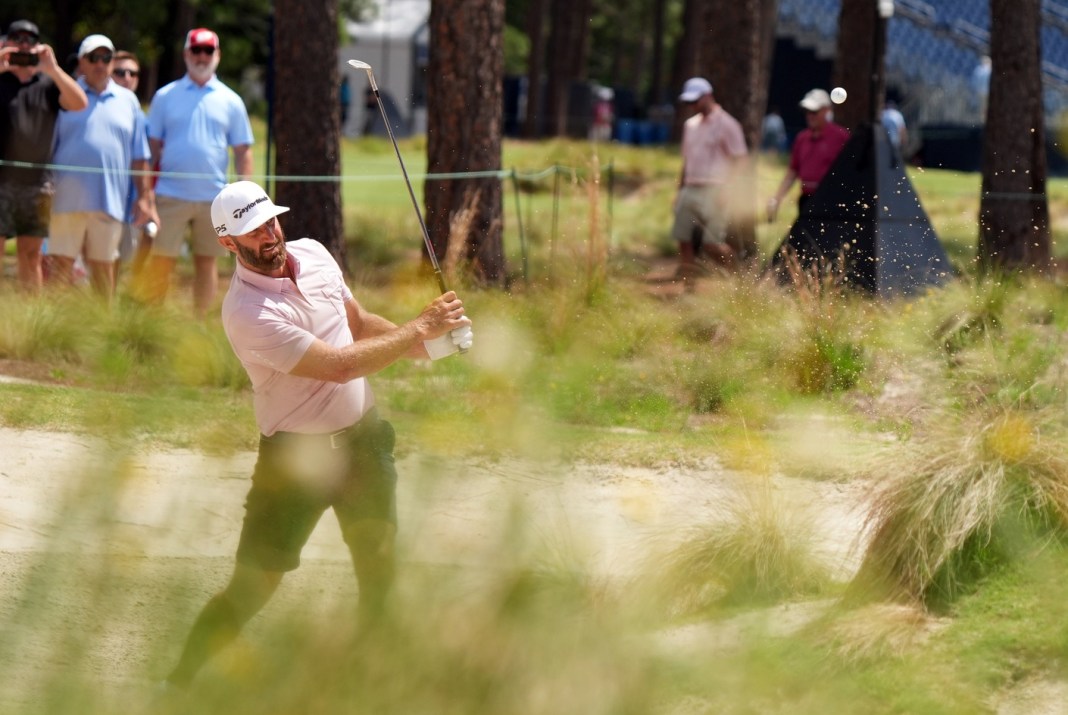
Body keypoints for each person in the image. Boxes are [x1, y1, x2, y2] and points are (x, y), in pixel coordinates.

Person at [160, 180, 473, 690]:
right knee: (253, 586)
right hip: (292, 464)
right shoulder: (248, 313)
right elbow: (337, 367)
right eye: (253, 230)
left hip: (364, 446)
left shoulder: (316, 254)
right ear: (227, 243)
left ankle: (374, 687)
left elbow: (360, 326)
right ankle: (177, 683)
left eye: (270, 221)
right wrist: (420, 329)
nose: (269, 234)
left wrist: (437, 346)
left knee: (381, 569)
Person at [140, 28, 254, 317]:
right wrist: (145, 193)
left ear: (217, 55)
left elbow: (243, 151)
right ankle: (152, 324)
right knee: (162, 260)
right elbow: (151, 149)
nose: (202, 57)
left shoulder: (231, 100)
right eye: (196, 50)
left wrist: (246, 195)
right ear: (186, 54)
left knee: (207, 262)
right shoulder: (166, 96)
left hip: (214, 199)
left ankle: (200, 323)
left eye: (208, 51)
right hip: (168, 194)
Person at [48, 35, 156, 299]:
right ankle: (53, 331)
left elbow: (140, 155)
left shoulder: (128, 101)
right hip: (65, 199)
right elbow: (48, 147)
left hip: (110, 201)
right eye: (93, 58)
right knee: (60, 267)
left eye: (106, 58)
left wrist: (144, 197)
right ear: (81, 62)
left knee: (104, 268)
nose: (100, 64)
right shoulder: (64, 93)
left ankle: (102, 332)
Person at [0, 19, 88, 291]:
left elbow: (79, 103)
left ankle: (30, 321)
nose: (23, 45)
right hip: (1, 181)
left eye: (30, 40)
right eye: (17, 39)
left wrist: (53, 68)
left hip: (38, 182)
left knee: (31, 254)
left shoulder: (47, 84)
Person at [672, 76, 748, 277]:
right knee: (683, 238)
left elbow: (740, 160)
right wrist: (679, 191)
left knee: (711, 243)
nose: (692, 105)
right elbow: (686, 161)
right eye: (689, 102)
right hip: (690, 187)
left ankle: (739, 278)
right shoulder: (690, 125)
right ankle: (688, 287)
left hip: (716, 188)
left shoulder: (728, 124)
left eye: (695, 100)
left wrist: (729, 189)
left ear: (708, 96)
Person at [767, 88, 850, 222]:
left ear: (826, 110)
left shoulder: (841, 137)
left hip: (831, 202)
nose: (810, 116)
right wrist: (777, 198)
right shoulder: (802, 138)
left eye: (814, 111)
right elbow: (793, 170)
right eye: (807, 111)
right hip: (806, 199)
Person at [110, 50, 154, 276]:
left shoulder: (141, 116)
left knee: (127, 256)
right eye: (120, 72)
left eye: (132, 73)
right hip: (103, 200)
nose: (127, 77)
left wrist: (147, 198)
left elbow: (147, 161)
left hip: (130, 202)